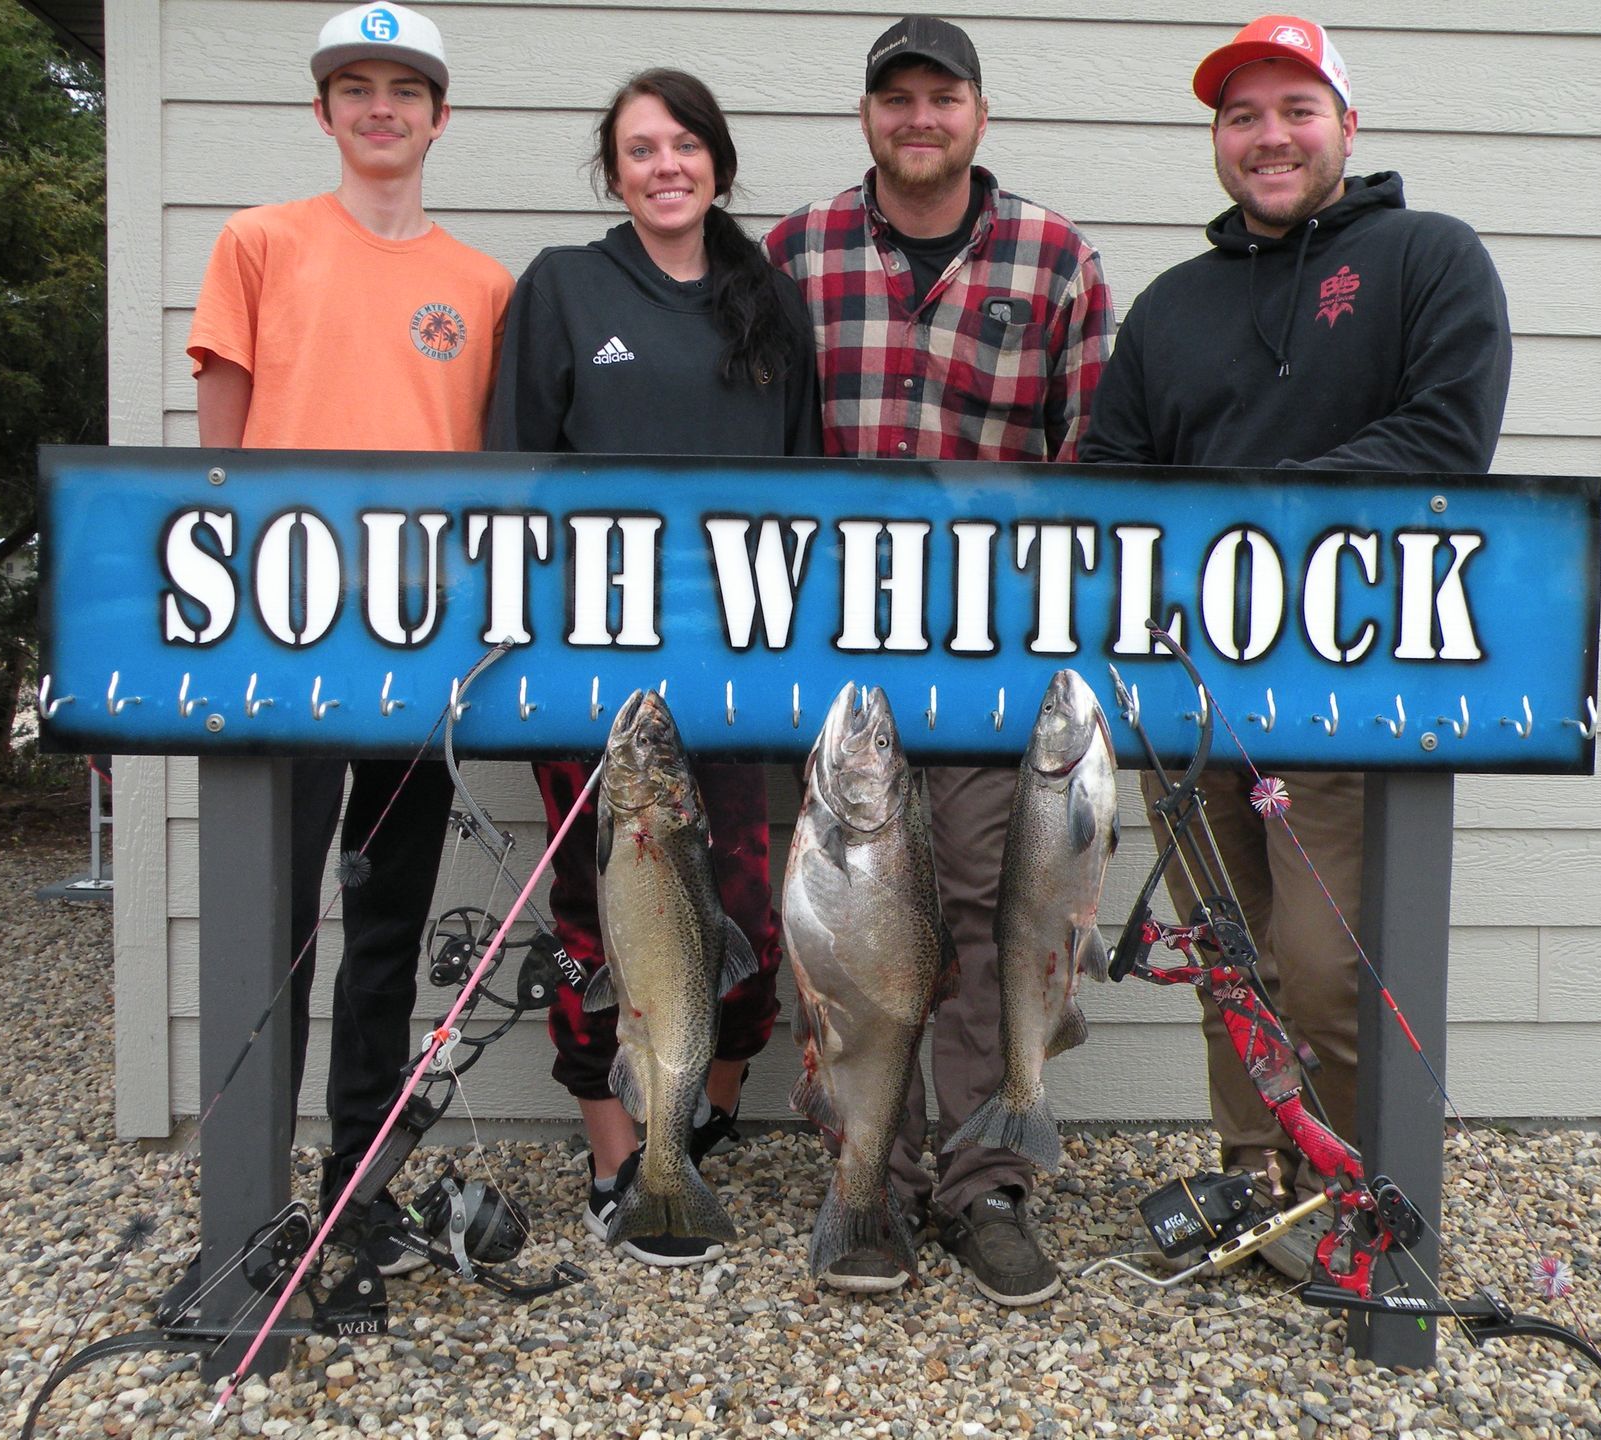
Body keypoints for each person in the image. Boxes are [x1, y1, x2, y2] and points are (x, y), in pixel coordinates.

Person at [1079, 13, 1513, 1280]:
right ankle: (1254, 1174)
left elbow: (1443, 443)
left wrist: (1253, 508)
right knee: (1227, 948)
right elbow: (1115, 476)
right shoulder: (1174, 305)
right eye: (1241, 116)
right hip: (1188, 689)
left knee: (1324, 967)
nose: (1268, 137)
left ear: (1346, 126)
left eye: (1293, 110)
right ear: (1219, 140)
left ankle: (1365, 1192)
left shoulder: (1429, 259)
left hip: (1344, 690)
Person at [766, 16, 1115, 1306]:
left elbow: (1096, 462)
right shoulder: (796, 254)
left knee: (983, 912)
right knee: (847, 928)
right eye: (896, 97)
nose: (920, 118)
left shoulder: (1056, 258)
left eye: (943, 97)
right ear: (868, 114)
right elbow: (753, 445)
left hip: (986, 651)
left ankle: (985, 1184)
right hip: (836, 657)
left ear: (979, 112)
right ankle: (866, 1176)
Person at [185, 1, 514, 1272]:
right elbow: (219, 461)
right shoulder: (260, 243)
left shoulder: (479, 286)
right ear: (323, 111)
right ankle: (251, 1196)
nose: (381, 107)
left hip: (418, 659)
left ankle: (355, 1186)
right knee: (274, 922)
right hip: (281, 641)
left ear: (439, 116)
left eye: (405, 88)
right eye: (356, 87)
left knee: (385, 927)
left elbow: (485, 474)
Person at [485, 68, 820, 1267]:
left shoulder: (769, 304)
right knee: (597, 910)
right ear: (613, 170)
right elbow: (514, 478)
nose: (665, 165)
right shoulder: (567, 287)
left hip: (731, 667)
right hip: (590, 669)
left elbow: (803, 497)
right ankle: (614, 1142)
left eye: (685, 144)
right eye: (639, 149)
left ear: (718, 163)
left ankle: (708, 1106)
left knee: (742, 912)